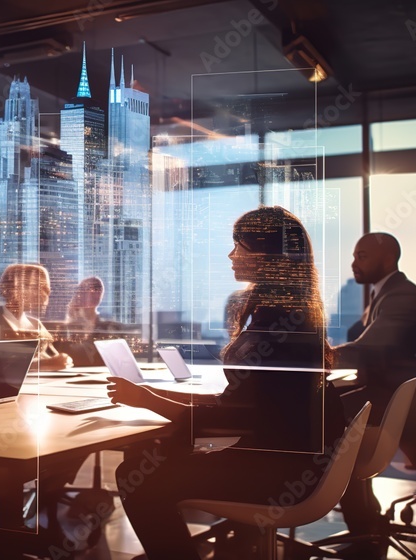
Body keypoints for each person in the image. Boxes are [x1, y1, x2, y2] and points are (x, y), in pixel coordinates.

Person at [107, 206, 347, 560]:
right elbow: (244, 403)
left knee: (135, 474)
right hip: (294, 462)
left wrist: (147, 400)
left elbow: (232, 418)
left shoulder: (275, 321)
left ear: (267, 254)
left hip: (278, 475)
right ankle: (236, 545)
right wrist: (151, 392)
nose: (231, 255)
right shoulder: (289, 310)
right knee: (153, 455)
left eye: (240, 246)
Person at [333, 232, 416, 548]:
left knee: (332, 417)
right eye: (353, 255)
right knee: (335, 407)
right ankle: (363, 515)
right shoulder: (385, 294)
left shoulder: (401, 297)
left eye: (361, 256)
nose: (353, 263)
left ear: (388, 259)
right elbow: (362, 341)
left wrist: (316, 355)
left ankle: (360, 522)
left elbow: (371, 349)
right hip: (400, 390)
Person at [0, 263, 73, 371]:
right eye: (39, 287)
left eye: (46, 288)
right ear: (14, 289)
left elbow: (55, 357)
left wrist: (63, 360)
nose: (46, 293)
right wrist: (46, 364)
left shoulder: (36, 324)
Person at [52, 276, 129, 366]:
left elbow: (121, 362)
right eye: (89, 288)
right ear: (80, 293)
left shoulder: (114, 329)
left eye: (98, 289)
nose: (95, 292)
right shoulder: (65, 330)